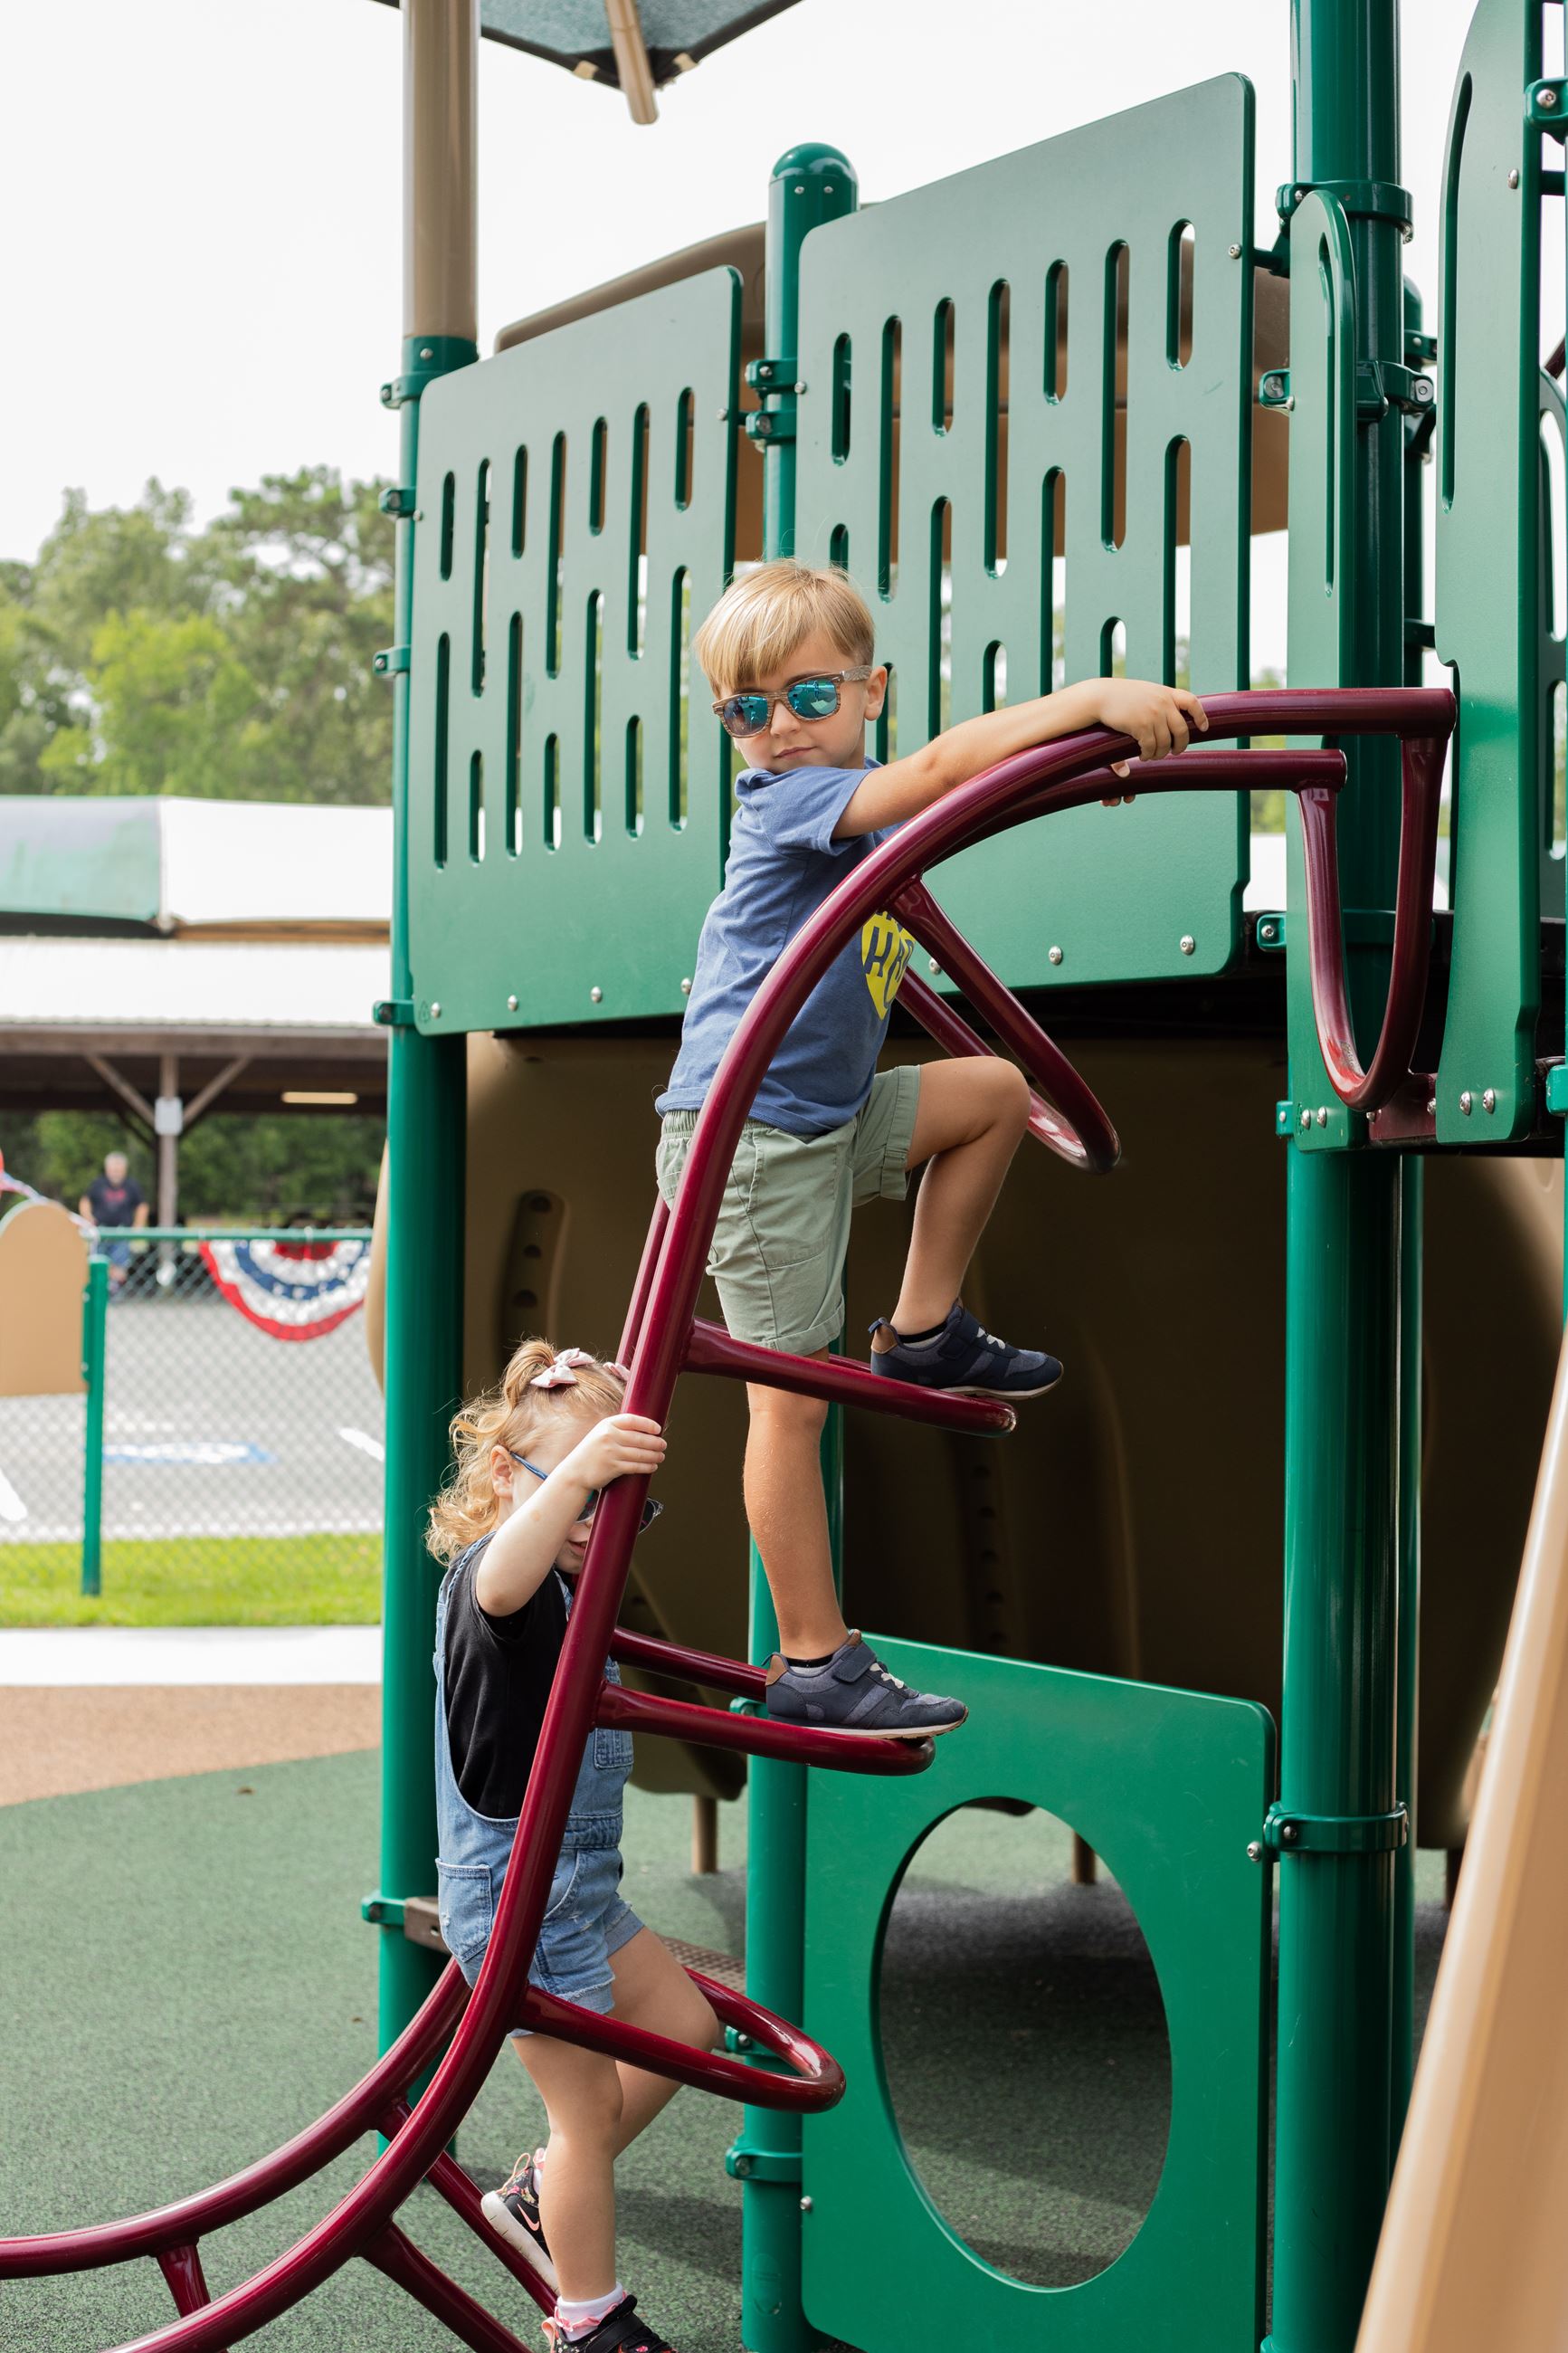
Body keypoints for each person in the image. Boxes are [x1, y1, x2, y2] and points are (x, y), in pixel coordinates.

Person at [655, 560, 1207, 1739]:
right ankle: (814, 1656)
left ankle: (919, 1331)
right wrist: (1087, 702)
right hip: (746, 1146)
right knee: (787, 1407)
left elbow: (957, 794)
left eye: (807, 698)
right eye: (745, 712)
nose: (780, 732)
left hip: (825, 1123)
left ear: (870, 691)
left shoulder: (873, 809)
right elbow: (952, 769)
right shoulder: (788, 808)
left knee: (991, 1094)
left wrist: (1073, 777)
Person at [428, 1338, 706, 2353]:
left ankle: (543, 2196)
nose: (597, 1521)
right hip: (517, 1894)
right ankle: (584, 2317)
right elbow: (505, 1576)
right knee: (583, 2112)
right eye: (578, 1491)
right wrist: (579, 1475)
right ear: (507, 1475)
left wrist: (587, 1473)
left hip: (575, 1884)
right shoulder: (492, 1583)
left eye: (618, 1499)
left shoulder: (567, 1589)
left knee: (684, 2023)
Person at [80, 1150, 148, 1293]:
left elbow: (142, 1206)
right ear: (107, 1169)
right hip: (100, 1232)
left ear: (124, 1170)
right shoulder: (98, 1184)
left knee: (120, 1265)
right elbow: (85, 1201)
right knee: (98, 1263)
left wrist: (138, 1225)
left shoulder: (131, 1185)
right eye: (113, 1169)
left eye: (119, 1169)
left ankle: (114, 1290)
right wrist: (88, 1218)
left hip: (121, 1232)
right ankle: (100, 1290)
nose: (116, 1172)